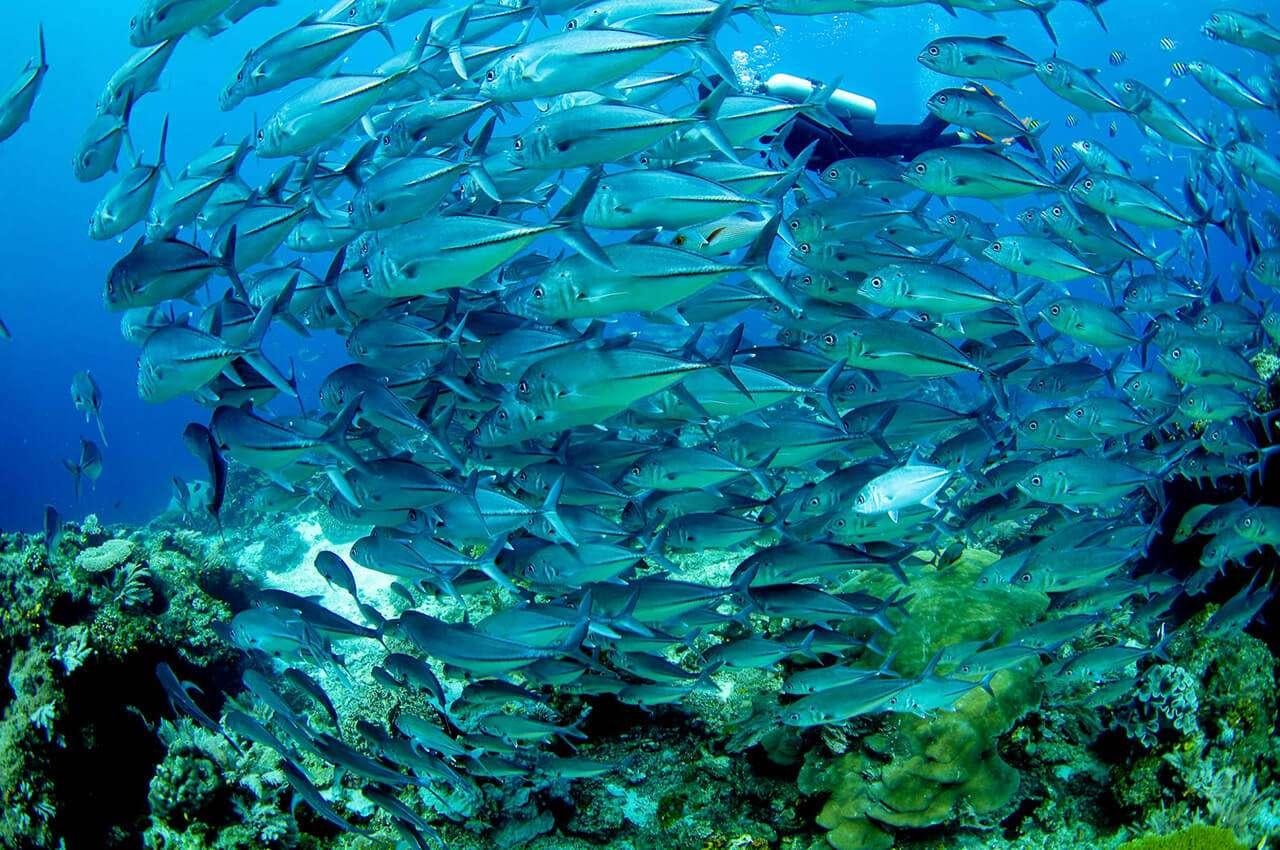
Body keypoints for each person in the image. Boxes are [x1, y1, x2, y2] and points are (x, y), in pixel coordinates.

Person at [754, 73, 970, 171]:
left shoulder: (768, 114)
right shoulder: (757, 136)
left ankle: (967, 95)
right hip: (849, 157)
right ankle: (969, 136)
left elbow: (824, 138)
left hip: (853, 136)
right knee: (915, 154)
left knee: (921, 134)